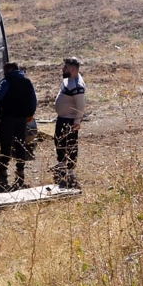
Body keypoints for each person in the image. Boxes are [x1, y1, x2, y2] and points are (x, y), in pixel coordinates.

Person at [0, 62, 38, 190]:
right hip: (22, 118)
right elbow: (33, 99)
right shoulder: (27, 81)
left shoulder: (7, 81)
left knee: (6, 143)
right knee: (20, 143)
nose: (4, 72)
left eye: (5, 69)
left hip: (8, 118)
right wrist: (31, 113)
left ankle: (3, 169)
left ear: (9, 69)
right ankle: (20, 170)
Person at [54, 56, 86, 187]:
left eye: (65, 67)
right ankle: (61, 164)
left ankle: (71, 171)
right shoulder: (68, 79)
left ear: (72, 70)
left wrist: (77, 121)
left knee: (71, 145)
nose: (63, 68)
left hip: (70, 120)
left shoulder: (78, 86)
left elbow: (81, 105)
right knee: (58, 140)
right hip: (62, 118)